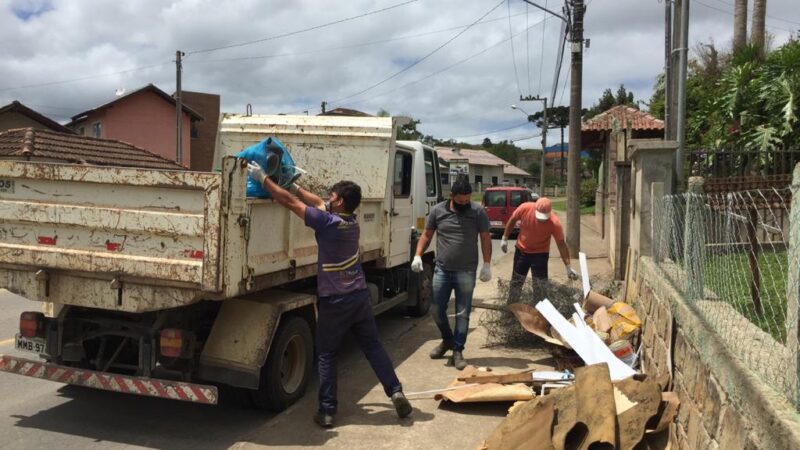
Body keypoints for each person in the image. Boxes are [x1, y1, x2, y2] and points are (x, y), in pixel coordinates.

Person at [247, 162, 412, 429]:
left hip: (335, 300)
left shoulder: (327, 223)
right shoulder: (349, 221)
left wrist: (264, 179)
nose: (328, 198)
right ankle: (395, 391)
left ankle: (327, 411)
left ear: (341, 201)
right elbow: (315, 201)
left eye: (333, 196)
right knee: (372, 347)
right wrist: (296, 185)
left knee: (326, 355)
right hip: (358, 296)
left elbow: (290, 204)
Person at [411, 175, 492, 370]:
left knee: (462, 313)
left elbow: (485, 237)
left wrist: (487, 264)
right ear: (452, 195)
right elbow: (427, 235)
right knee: (436, 310)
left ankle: (457, 350)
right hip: (443, 270)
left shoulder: (478, 211)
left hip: (466, 271)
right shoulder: (438, 211)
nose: (464, 203)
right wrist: (418, 255)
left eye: (467, 199)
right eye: (460, 200)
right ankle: (447, 340)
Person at [500, 197, 579, 302]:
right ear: (535, 209)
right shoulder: (525, 208)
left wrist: (568, 267)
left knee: (540, 287)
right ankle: (511, 308)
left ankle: (539, 312)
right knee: (516, 282)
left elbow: (561, 245)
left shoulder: (554, 223)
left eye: (544, 217)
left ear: (550, 212)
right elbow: (512, 220)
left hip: (540, 255)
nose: (541, 219)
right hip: (521, 252)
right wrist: (504, 238)